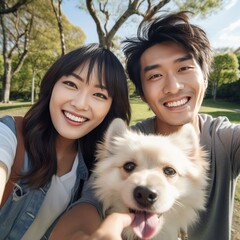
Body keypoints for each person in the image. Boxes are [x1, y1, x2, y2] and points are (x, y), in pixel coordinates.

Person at [50, 11, 240, 240]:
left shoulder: (227, 140)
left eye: (184, 68)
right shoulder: (129, 141)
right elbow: (89, 202)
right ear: (141, 93)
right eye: (155, 75)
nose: (173, 86)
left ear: (205, 77)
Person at [0, 43, 131, 240]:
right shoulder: (9, 134)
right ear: (53, 84)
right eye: (71, 84)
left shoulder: (92, 173)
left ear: (110, 109)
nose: (79, 104)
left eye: (99, 94)